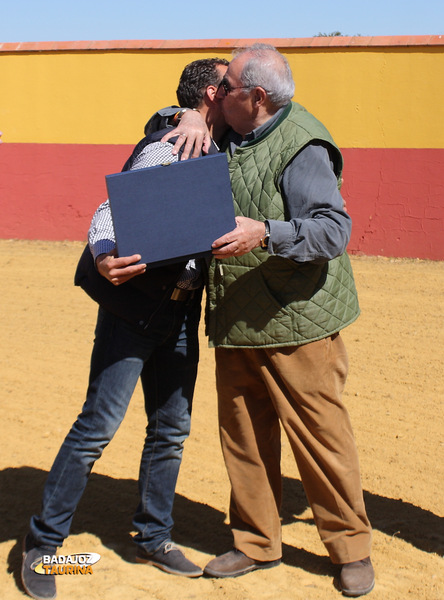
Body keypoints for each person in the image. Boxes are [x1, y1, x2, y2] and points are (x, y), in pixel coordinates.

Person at [166, 44, 374, 597]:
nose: (216, 92)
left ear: (257, 97)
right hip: (237, 314)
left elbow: (332, 231)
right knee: (244, 436)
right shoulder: (224, 122)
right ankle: (256, 541)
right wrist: (188, 113)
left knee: (320, 440)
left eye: (225, 85)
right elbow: (168, 118)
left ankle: (350, 547)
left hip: (298, 320)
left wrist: (268, 232)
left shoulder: (303, 144)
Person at [21, 57, 228, 600]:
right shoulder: (172, 144)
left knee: (171, 430)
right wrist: (105, 252)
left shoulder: (208, 138)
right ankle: (43, 547)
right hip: (134, 311)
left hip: (180, 311)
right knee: (97, 427)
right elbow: (109, 210)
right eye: (232, 83)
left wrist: (192, 118)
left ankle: (153, 536)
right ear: (212, 92)